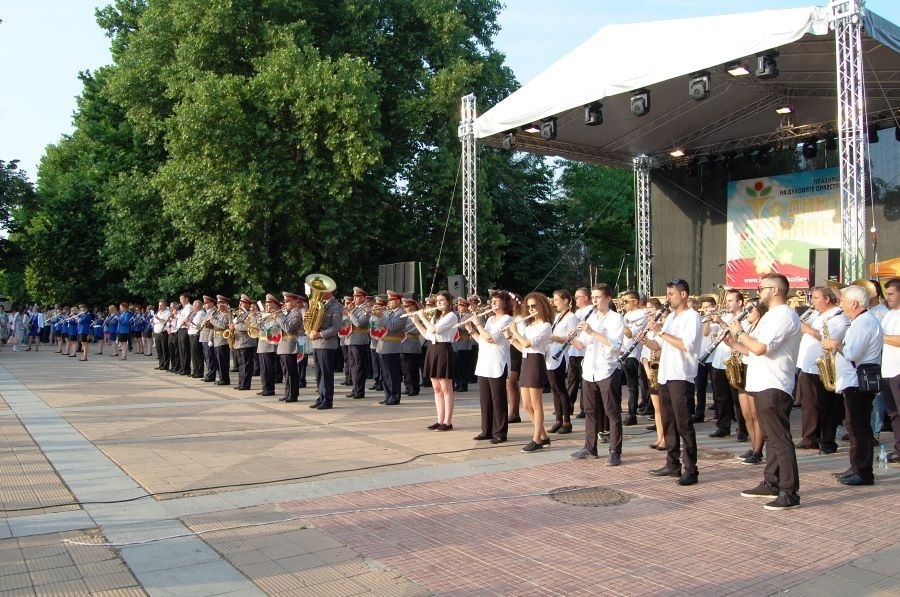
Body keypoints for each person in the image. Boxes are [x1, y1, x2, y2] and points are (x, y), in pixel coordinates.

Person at [729, 273, 802, 510]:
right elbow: (753, 349)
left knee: (780, 439)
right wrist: (735, 343)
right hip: (762, 382)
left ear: (777, 290)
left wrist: (740, 332)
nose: (758, 291)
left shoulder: (785, 315)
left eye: (762, 287)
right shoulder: (771, 316)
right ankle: (771, 481)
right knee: (771, 437)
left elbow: (761, 348)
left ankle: (789, 492)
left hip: (775, 384)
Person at [822, 284, 884, 487]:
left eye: (843, 301)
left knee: (859, 427)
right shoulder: (860, 321)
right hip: (852, 381)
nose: (840, 305)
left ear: (854, 303)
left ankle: (863, 471)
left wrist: (835, 344)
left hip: (858, 382)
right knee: (854, 426)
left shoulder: (864, 322)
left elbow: (852, 354)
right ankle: (856, 466)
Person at [644, 278, 702, 486]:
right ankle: (672, 463)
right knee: (668, 421)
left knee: (684, 423)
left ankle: (691, 468)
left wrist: (661, 332)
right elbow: (658, 345)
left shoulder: (692, 317)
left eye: (671, 294)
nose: (668, 298)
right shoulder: (669, 319)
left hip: (681, 375)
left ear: (683, 294)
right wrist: (646, 340)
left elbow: (685, 345)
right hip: (665, 375)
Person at [570, 283, 625, 465]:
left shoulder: (615, 318)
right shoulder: (591, 317)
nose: (594, 301)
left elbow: (615, 345)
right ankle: (590, 448)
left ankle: (614, 451)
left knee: (612, 412)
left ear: (608, 298)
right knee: (590, 411)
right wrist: (571, 339)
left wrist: (592, 331)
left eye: (598, 297)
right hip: (590, 371)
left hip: (607, 369)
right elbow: (582, 345)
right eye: (592, 297)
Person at [795, 287, 847, 454]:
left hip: (824, 367)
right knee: (809, 405)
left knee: (826, 406)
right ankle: (810, 438)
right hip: (807, 365)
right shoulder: (816, 314)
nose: (813, 301)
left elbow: (831, 339)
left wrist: (808, 330)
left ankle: (827, 441)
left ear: (827, 299)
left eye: (816, 298)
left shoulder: (839, 316)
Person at [507, 292, 553, 452]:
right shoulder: (530, 325)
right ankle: (544, 436)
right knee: (526, 405)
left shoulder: (546, 325)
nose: (531, 309)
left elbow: (527, 343)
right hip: (526, 362)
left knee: (536, 403)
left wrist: (516, 333)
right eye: (529, 306)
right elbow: (522, 348)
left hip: (536, 362)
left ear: (542, 306)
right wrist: (510, 338)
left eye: (534, 306)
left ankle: (536, 439)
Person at [469, 290, 513, 442]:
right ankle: (486, 430)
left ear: (504, 303)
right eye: (492, 300)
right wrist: (472, 331)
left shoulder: (507, 319)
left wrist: (478, 324)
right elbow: (482, 340)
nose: (493, 303)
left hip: (497, 363)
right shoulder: (490, 320)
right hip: (484, 362)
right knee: (485, 399)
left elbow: (491, 338)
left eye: (496, 300)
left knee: (498, 399)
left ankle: (500, 432)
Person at [410, 290, 458, 430]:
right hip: (433, 349)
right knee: (437, 388)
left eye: (442, 300)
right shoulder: (436, 317)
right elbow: (427, 334)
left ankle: (448, 422)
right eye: (437, 301)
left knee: (446, 388)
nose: (438, 303)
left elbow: (435, 330)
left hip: (444, 349)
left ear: (448, 302)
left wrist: (422, 316)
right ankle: (440, 419)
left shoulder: (451, 316)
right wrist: (416, 321)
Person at [708, 289, 749, 441]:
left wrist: (720, 322)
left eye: (731, 300)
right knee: (721, 397)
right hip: (719, 361)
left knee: (737, 398)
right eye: (727, 300)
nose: (727, 303)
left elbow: (737, 335)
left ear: (740, 302)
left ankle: (743, 429)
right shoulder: (725, 315)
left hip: (735, 361)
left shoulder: (745, 317)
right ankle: (723, 427)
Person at [735, 302, 769, 465]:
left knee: (756, 415)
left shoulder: (762, 327)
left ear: (760, 311)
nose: (746, 312)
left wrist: (739, 336)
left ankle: (758, 451)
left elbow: (755, 349)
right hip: (745, 367)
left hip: (756, 370)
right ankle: (753, 445)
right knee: (747, 414)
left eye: (750, 309)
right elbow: (746, 350)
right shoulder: (749, 328)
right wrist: (732, 344)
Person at [546, 290, 577, 434]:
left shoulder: (571, 317)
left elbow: (571, 339)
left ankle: (567, 421)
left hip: (560, 356)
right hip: (551, 354)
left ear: (566, 300)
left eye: (557, 299)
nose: (554, 302)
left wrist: (554, 338)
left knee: (561, 389)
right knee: (554, 389)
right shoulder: (558, 316)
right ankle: (558, 419)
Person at [879, 277, 900, 464]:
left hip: (898, 371)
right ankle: (898, 448)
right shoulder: (889, 314)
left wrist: (880, 336)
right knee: (893, 412)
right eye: (887, 294)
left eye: (892, 294)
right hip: (887, 370)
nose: (888, 297)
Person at [641, 298, 667, 451]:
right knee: (657, 408)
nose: (658, 320)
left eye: (661, 317)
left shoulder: (665, 333)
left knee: (665, 408)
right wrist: (647, 369)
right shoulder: (651, 333)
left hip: (664, 370)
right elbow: (644, 355)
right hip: (652, 371)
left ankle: (666, 438)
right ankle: (659, 437)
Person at [567, 288, 591, 418]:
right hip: (574, 350)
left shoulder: (591, 310)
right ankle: (569, 405)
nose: (575, 300)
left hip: (584, 351)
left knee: (584, 381)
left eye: (577, 297)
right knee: (572, 379)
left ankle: (584, 408)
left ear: (585, 298)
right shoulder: (576, 312)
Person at [275, 292, 304, 402]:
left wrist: (278, 318)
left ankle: (293, 394)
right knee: (286, 372)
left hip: (290, 345)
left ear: (295, 302)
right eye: (285, 301)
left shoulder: (296, 314)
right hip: (283, 345)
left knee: (291, 372)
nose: (285, 303)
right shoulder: (288, 313)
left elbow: (288, 328)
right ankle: (288, 393)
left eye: (287, 301)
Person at [344, 287, 371, 399]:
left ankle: (360, 391)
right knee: (353, 366)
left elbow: (359, 323)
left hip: (360, 340)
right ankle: (355, 388)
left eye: (357, 297)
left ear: (363, 298)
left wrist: (349, 314)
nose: (354, 299)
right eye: (354, 296)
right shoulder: (354, 308)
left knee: (359, 366)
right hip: (350, 339)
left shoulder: (366, 309)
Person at [232, 295, 257, 391]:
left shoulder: (251, 314)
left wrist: (235, 326)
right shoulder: (241, 314)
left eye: (242, 303)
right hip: (239, 342)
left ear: (247, 304)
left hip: (247, 342)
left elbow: (248, 327)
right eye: (240, 302)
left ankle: (245, 384)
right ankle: (241, 382)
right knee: (241, 364)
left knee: (246, 364)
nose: (240, 304)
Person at [400, 297, 422, 397]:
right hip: (403, 344)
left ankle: (414, 388)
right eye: (404, 306)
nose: (405, 308)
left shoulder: (417, 316)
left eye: (407, 306)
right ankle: (408, 386)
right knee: (405, 368)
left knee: (412, 368)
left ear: (412, 306)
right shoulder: (404, 316)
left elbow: (416, 330)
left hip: (412, 344)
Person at [208, 295, 233, 386]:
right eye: (218, 303)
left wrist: (213, 321)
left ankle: (225, 379)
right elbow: (214, 326)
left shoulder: (228, 313)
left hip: (223, 339)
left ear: (225, 303)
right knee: (218, 361)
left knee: (223, 361)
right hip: (216, 339)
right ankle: (221, 377)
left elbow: (223, 325)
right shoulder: (218, 313)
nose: (218, 305)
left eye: (220, 303)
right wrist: (209, 324)